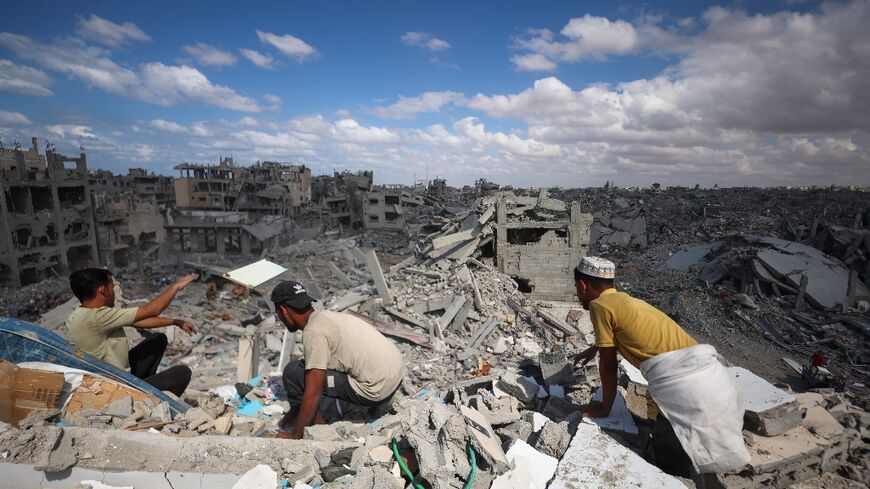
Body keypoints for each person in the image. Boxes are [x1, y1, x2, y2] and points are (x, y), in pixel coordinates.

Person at [572, 256, 749, 475]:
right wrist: (595, 348)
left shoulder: (598, 306)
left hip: (685, 388)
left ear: (583, 285)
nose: (578, 294)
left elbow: (608, 366)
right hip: (712, 377)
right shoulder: (628, 301)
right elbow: (623, 334)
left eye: (577, 288)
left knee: (670, 464)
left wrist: (604, 408)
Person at [271, 280, 405, 439]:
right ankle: (305, 420)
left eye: (278, 314)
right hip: (396, 375)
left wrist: (295, 436)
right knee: (307, 368)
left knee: (294, 374)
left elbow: (313, 392)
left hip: (376, 389)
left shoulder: (314, 331)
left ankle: (317, 432)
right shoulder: (327, 316)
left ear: (283, 310)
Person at [65, 268, 197, 396]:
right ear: (103, 290)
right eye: (112, 287)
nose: (114, 292)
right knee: (182, 373)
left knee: (157, 340)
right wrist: (176, 287)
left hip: (118, 375)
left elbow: (137, 321)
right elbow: (152, 310)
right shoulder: (96, 317)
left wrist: (175, 322)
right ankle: (149, 401)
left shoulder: (83, 314)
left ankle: (145, 387)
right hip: (115, 387)